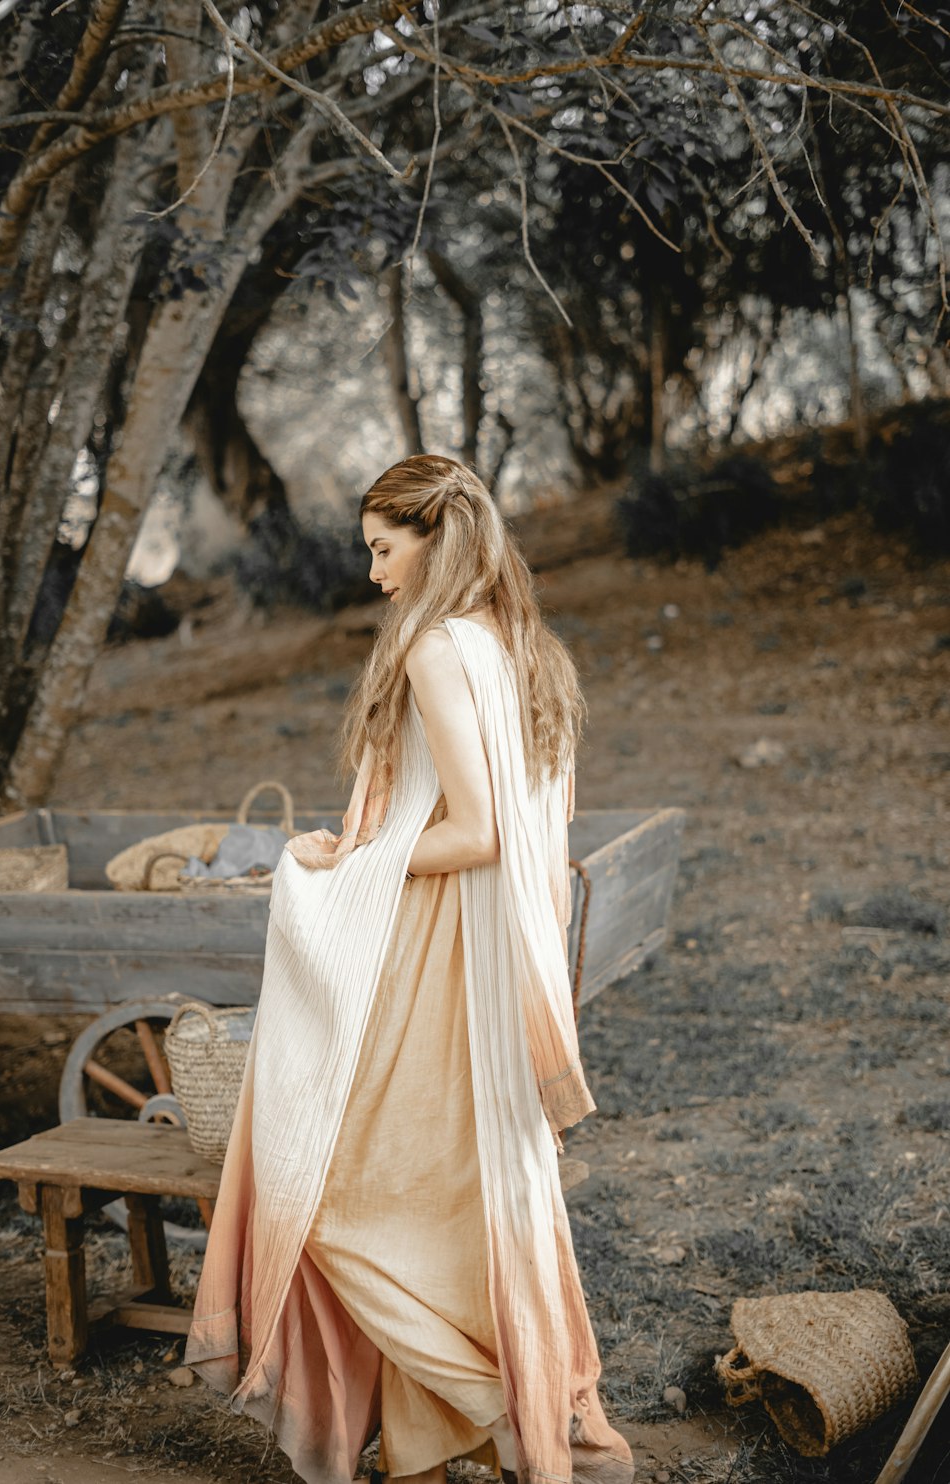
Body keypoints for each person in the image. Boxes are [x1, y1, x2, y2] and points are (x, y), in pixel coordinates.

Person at [184, 454, 634, 1484]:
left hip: (434, 954)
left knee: (334, 1188)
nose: (375, 573)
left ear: (436, 537)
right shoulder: (521, 646)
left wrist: (346, 860)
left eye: (385, 548)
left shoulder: (437, 648)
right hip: (471, 956)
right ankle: (442, 1439)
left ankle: (495, 1408)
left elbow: (477, 831)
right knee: (451, 1190)